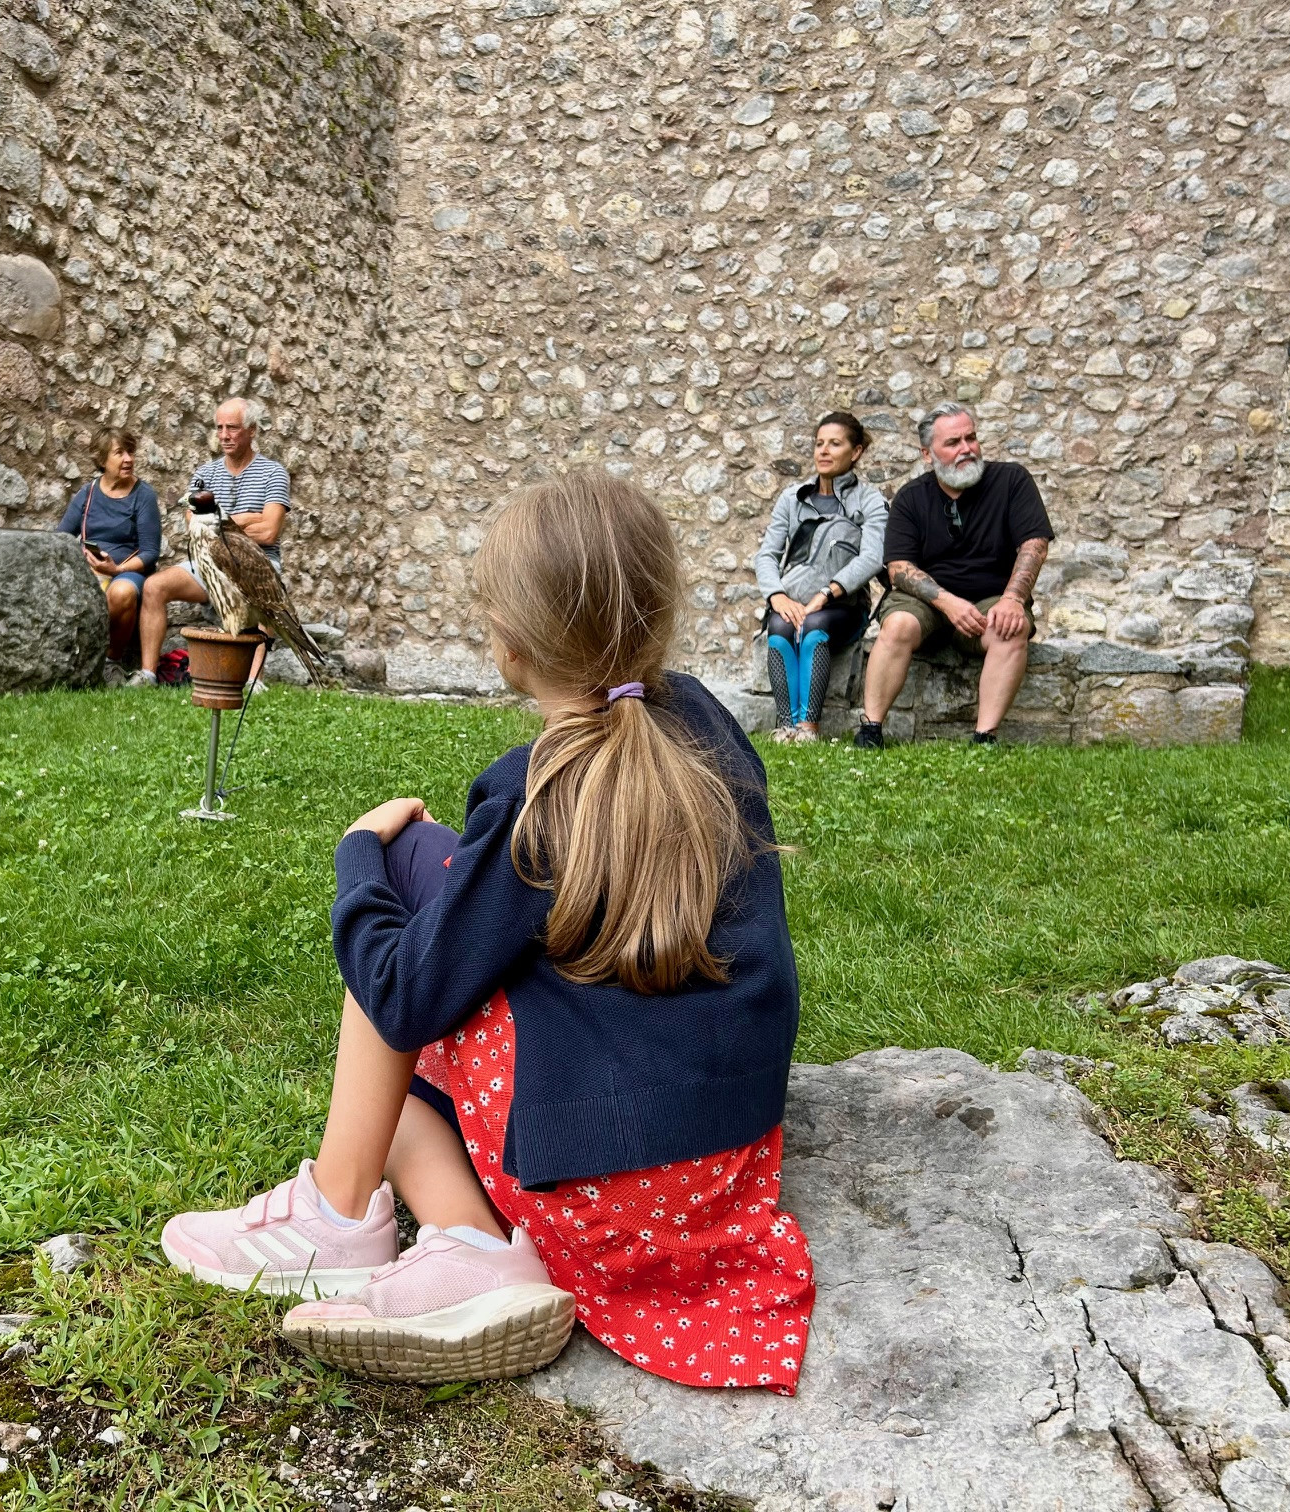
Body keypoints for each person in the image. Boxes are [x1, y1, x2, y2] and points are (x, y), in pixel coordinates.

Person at [160, 469, 816, 1392]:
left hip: (609, 1194)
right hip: (720, 1164)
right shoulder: (706, 723)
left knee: (403, 916)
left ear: (508, 640)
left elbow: (402, 995)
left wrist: (360, 858)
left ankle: (342, 1214)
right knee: (419, 969)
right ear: (659, 608)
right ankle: (469, 1244)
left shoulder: (535, 794)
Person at [853, 403, 1054, 747]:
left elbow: (1034, 545)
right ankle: (871, 730)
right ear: (927, 454)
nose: (966, 449)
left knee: (1012, 626)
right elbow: (898, 568)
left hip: (991, 597)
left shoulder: (1011, 480)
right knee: (898, 625)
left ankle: (984, 737)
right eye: (953, 442)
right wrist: (948, 603)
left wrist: (1013, 599)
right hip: (927, 602)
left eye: (971, 438)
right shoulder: (911, 497)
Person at [131, 397, 291, 688]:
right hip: (207, 562)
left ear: (252, 430)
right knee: (154, 586)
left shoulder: (273, 473)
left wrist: (221, 522)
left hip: (257, 565)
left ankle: (254, 681)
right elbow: (194, 525)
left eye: (232, 428)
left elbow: (269, 531)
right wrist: (247, 518)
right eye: (219, 428)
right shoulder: (205, 475)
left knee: (263, 600)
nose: (224, 435)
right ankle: (148, 675)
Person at [754, 411, 888, 743]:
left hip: (844, 607)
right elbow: (767, 554)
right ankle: (786, 727)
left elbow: (873, 557)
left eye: (835, 444)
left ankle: (808, 729)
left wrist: (827, 593)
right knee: (779, 626)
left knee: (814, 624)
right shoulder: (792, 498)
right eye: (819, 444)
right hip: (793, 601)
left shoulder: (870, 500)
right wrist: (777, 596)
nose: (824, 451)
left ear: (856, 452)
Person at [55, 429, 160, 663]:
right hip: (90, 570)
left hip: (128, 572)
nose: (128, 459)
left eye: (130, 452)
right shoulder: (88, 492)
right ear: (102, 460)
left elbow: (150, 552)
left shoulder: (144, 496)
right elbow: (61, 537)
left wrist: (116, 570)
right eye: (120, 453)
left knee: (121, 592)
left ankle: (111, 661)